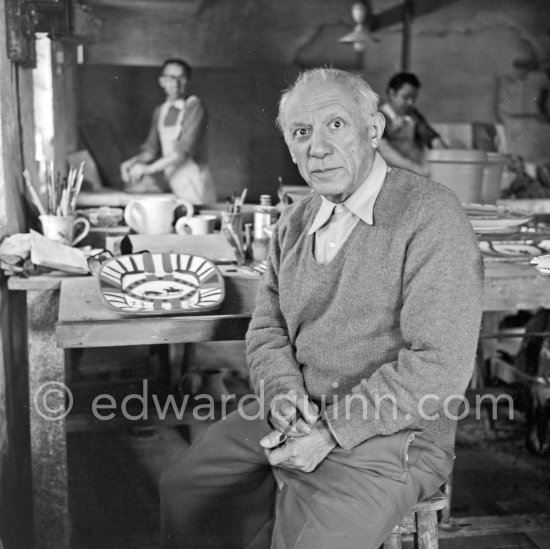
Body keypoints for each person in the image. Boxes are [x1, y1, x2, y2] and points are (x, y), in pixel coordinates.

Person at [159, 68, 483, 549]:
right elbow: (267, 330)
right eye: (301, 132)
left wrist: (331, 431)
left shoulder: (431, 216)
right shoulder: (295, 221)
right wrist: (284, 395)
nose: (318, 147)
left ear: (372, 130)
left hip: (398, 432)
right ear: (290, 146)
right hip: (301, 412)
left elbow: (440, 367)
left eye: (336, 125)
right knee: (186, 490)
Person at [120, 58, 216, 205]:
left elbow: (183, 151)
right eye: (170, 78)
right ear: (161, 81)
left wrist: (148, 169)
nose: (175, 83)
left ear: (188, 81)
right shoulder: (160, 111)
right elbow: (150, 151)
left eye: (181, 78)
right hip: (173, 181)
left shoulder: (194, 106)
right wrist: (132, 162)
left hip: (194, 181)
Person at [378, 72, 446, 177]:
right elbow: (385, 151)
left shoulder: (413, 115)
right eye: (405, 97)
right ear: (392, 93)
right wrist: (417, 169)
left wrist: (446, 156)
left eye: (413, 98)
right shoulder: (379, 117)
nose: (410, 103)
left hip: (416, 174)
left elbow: (431, 137)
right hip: (390, 176)